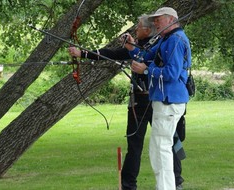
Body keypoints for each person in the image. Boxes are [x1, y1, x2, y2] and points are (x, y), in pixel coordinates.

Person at [68, 14, 185, 190]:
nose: (134, 30)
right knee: (138, 144)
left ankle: (175, 182)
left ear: (147, 30)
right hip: (141, 100)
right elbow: (113, 53)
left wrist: (145, 68)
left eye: (137, 27)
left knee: (165, 142)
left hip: (155, 99)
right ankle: (129, 185)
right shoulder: (148, 46)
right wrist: (83, 53)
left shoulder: (161, 43)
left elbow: (165, 69)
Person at [125, 7, 191, 190]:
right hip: (164, 101)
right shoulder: (166, 39)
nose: (155, 23)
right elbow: (145, 55)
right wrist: (131, 47)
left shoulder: (175, 40)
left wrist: (146, 70)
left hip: (168, 102)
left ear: (170, 20)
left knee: (161, 149)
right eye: (153, 20)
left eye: (158, 19)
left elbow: (171, 73)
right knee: (159, 149)